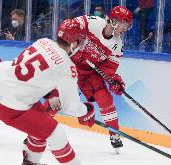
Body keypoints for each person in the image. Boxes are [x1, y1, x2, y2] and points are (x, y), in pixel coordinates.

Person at [0, 19, 100, 165]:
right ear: (74, 43)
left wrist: (51, 94)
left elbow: (38, 75)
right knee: (56, 133)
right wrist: (87, 111)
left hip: (1, 84)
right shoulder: (67, 67)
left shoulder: (43, 41)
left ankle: (30, 164)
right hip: (10, 103)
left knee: (42, 125)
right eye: (80, 42)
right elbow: (71, 107)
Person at [45, 6, 133, 154]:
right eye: (124, 25)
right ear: (115, 21)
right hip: (69, 64)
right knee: (56, 99)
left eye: (127, 26)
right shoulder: (93, 22)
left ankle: (114, 134)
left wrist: (115, 81)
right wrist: (71, 41)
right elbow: (68, 27)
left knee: (105, 98)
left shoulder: (117, 46)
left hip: (89, 73)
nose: (125, 29)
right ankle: (39, 129)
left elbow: (108, 69)